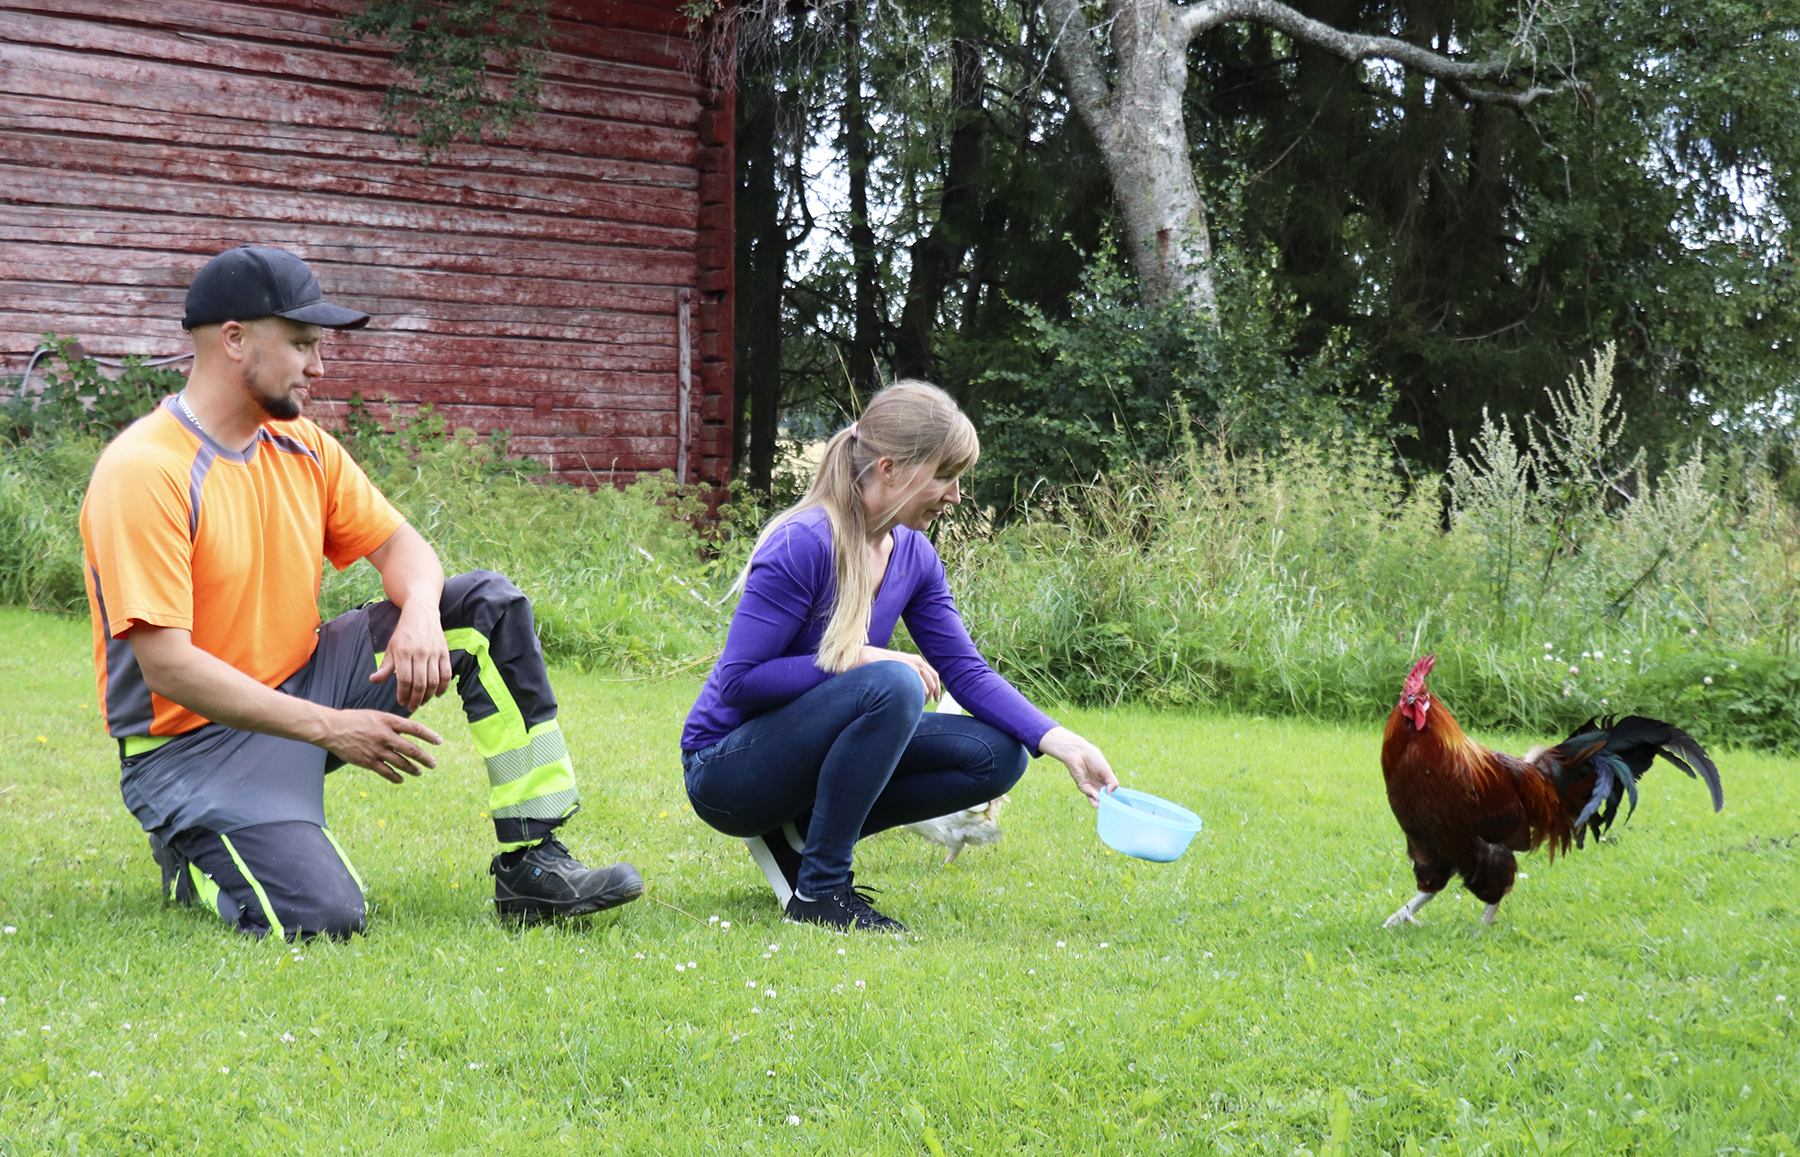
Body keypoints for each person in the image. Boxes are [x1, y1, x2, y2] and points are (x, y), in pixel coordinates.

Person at [79, 245, 643, 940]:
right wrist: (332, 728)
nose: (320, 367)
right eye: (303, 344)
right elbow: (168, 666)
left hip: (305, 679)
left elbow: (405, 548)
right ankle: (189, 851)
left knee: (483, 606)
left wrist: (421, 614)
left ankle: (534, 861)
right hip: (190, 747)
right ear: (234, 340)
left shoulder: (304, 445)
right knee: (325, 916)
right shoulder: (145, 471)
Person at [681, 380, 1119, 932]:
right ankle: (819, 894)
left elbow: (965, 669)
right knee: (894, 682)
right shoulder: (802, 542)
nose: (955, 496)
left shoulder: (914, 554)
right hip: (727, 770)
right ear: (889, 469)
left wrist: (1062, 741)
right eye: (943, 476)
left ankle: (801, 833)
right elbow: (740, 682)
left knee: (1000, 756)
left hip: (798, 759)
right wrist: (857, 657)